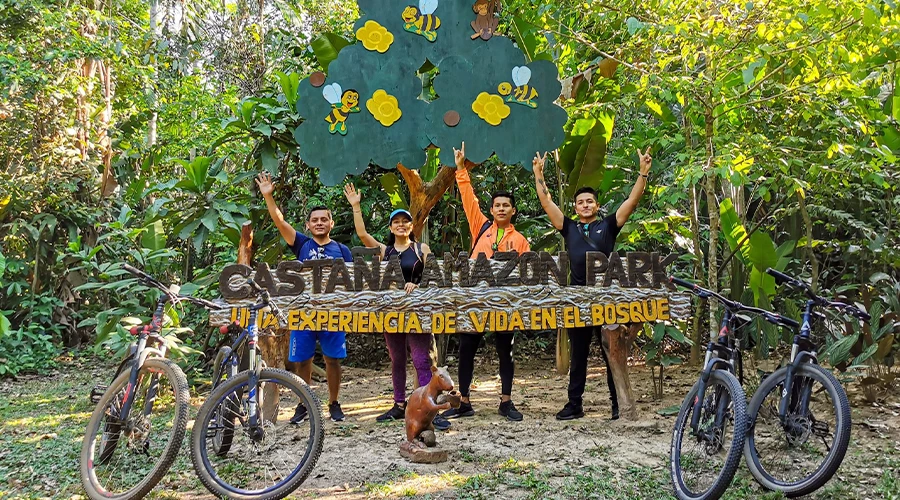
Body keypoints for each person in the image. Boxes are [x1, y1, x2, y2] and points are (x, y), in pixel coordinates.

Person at [531, 147, 653, 420]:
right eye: (581, 202)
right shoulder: (569, 227)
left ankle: (616, 403)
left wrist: (643, 173)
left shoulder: (608, 225)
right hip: (577, 297)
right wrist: (539, 174)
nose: (585, 205)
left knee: (612, 350)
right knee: (579, 354)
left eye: (590, 202)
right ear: (575, 207)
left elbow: (631, 202)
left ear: (597, 206)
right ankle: (574, 404)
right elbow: (547, 203)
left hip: (605, 297)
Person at [343, 183, 451, 431]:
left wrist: (418, 286)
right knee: (397, 359)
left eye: (405, 222)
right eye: (396, 222)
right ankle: (399, 404)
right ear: (391, 228)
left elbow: (434, 277)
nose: (401, 225)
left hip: (417, 311)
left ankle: (429, 405)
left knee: (422, 360)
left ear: (412, 227)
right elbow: (362, 236)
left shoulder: (421, 249)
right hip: (391, 312)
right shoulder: (385, 250)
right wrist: (356, 206)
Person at [442, 142, 529, 422]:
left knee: (507, 350)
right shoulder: (481, 227)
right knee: (467, 348)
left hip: (505, 303)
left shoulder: (520, 240)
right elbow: (468, 198)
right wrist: (460, 168)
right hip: (475, 300)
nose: (501, 209)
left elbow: (526, 274)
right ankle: (464, 401)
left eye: (506, 206)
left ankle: (506, 401)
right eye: (497, 205)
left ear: (513, 211)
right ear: (491, 210)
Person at [256, 171, 351, 423]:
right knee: (303, 361)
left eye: (324, 219)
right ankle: (304, 403)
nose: (319, 223)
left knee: (333, 360)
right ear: (308, 225)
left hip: (333, 313)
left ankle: (333, 403)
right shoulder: (302, 245)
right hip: (303, 314)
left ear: (331, 224)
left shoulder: (342, 250)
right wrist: (268, 196)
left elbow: (354, 282)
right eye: (314, 220)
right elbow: (280, 222)